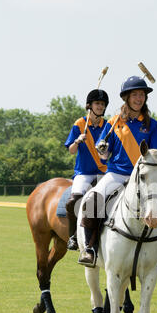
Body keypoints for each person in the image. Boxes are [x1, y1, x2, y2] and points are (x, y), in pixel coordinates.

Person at [78, 76, 157, 266]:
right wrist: (103, 148)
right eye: (135, 95)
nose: (139, 98)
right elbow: (104, 156)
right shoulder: (113, 122)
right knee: (93, 199)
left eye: (142, 95)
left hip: (144, 177)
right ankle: (90, 247)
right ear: (126, 97)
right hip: (117, 174)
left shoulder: (152, 125)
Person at [64, 89, 109, 250]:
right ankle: (73, 237)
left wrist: (104, 149)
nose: (100, 107)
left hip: (103, 171)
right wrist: (77, 141)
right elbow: (71, 150)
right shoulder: (79, 124)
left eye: (102, 104)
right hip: (83, 172)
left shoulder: (108, 126)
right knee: (73, 202)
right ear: (89, 106)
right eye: (97, 103)